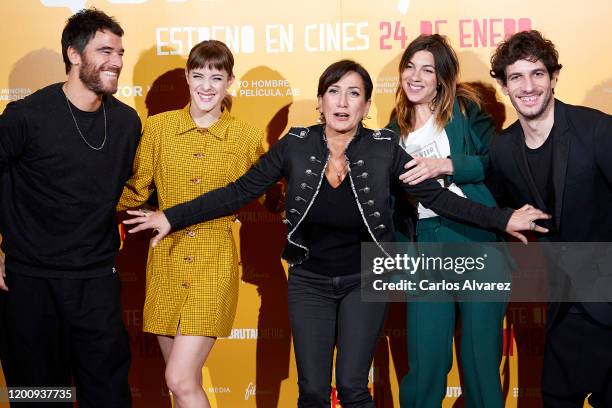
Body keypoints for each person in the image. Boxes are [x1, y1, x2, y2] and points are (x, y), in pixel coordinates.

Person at [124, 59, 548, 408]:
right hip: (309, 281)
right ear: (322, 101)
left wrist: (503, 219)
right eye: (333, 91)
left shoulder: (384, 147)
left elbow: (436, 198)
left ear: (366, 107)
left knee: (351, 386)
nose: (342, 102)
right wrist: (172, 217)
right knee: (311, 390)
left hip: (365, 279)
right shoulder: (295, 144)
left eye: (354, 94)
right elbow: (239, 191)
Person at [0, 9, 140, 407]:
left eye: (120, 52)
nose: (116, 61)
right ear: (74, 55)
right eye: (105, 50)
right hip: (30, 284)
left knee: (108, 395)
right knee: (41, 397)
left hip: (96, 281)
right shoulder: (27, 116)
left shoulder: (127, 122)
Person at [117, 40, 265, 407]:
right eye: (198, 75)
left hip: (214, 262)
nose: (207, 86)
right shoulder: (159, 128)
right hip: (166, 258)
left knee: (179, 378)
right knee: (182, 384)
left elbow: (266, 193)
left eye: (217, 77)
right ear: (186, 77)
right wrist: (82, 199)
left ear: (230, 81)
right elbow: (136, 190)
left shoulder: (245, 136)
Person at [487, 30, 612, 407]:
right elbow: (502, 205)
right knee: (557, 396)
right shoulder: (503, 149)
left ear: (554, 77)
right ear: (504, 86)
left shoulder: (597, 129)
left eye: (537, 74)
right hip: (564, 302)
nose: (528, 86)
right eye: (516, 77)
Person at [389, 34, 508, 407]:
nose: (416, 76)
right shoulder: (395, 127)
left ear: (442, 77)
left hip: (477, 239)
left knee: (479, 365)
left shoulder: (465, 109)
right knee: (425, 365)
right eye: (410, 66)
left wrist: (446, 166)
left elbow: (498, 162)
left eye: (427, 69)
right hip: (426, 244)